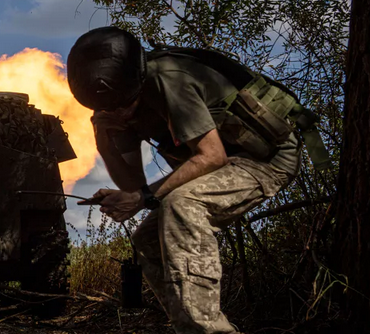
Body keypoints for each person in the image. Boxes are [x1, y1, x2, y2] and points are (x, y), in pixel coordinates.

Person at [66, 27, 310, 334]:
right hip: (222, 163)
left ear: (137, 83)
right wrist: (104, 137)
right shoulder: (114, 105)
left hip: (265, 159)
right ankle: (189, 325)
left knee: (182, 205)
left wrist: (143, 198)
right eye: (107, 108)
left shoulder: (169, 79)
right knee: (147, 238)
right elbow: (133, 186)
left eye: (122, 105)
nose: (119, 113)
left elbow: (211, 157)